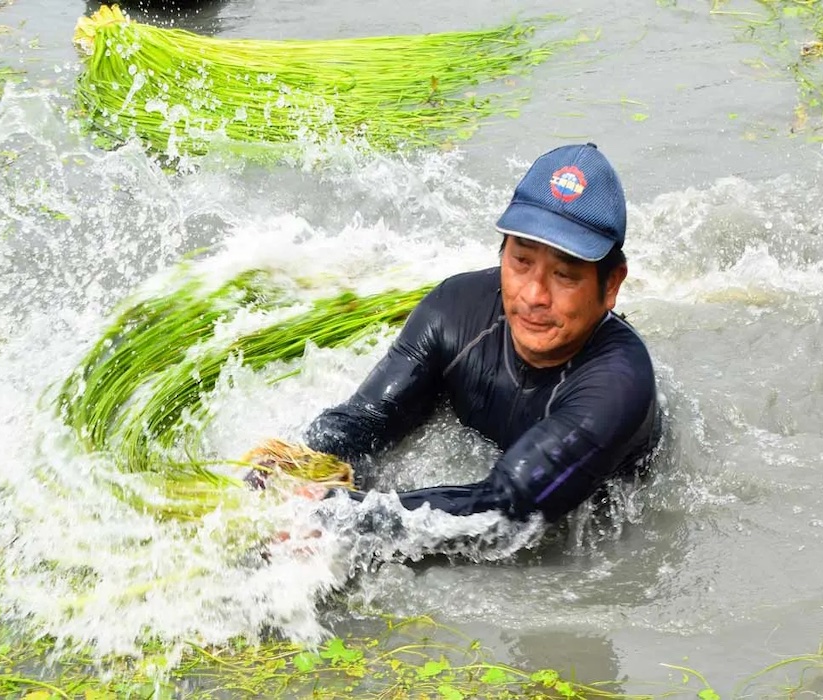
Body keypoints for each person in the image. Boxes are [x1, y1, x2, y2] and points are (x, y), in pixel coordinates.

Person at [261, 143, 660, 523]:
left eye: (565, 274)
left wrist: (343, 517)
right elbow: (368, 418)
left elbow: (508, 507)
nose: (534, 295)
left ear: (611, 286)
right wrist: (299, 466)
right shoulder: (455, 311)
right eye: (521, 261)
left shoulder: (617, 387)